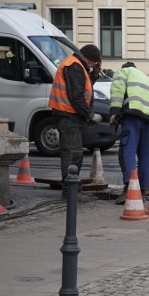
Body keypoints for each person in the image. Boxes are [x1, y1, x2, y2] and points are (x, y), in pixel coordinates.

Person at [48, 43, 103, 198]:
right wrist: (90, 114)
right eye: (94, 63)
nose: (93, 66)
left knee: (74, 152)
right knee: (72, 153)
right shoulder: (73, 66)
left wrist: (95, 75)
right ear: (90, 59)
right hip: (67, 115)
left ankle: (72, 188)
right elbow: (76, 96)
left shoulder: (78, 66)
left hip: (70, 115)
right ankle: (69, 190)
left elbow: (82, 88)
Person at [110, 62, 149, 204]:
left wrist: (114, 112)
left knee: (128, 151)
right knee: (145, 156)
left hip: (132, 116)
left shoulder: (124, 72)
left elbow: (117, 91)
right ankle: (142, 191)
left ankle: (129, 189)